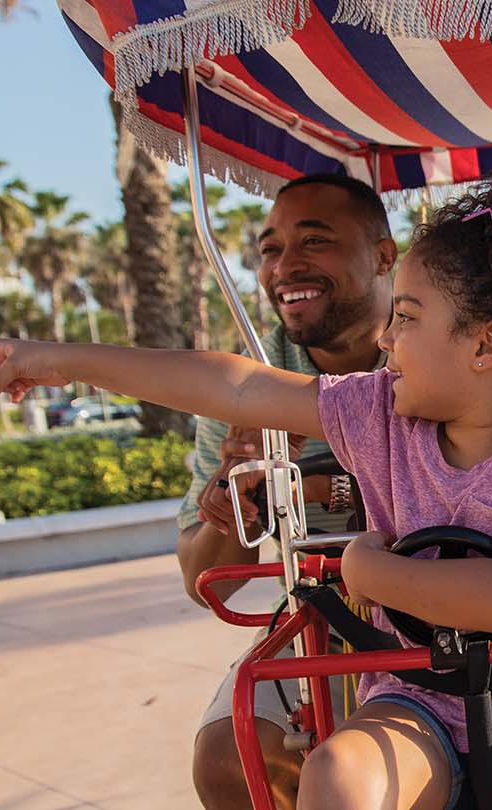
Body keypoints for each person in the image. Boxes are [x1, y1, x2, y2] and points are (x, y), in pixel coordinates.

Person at [0, 163, 492, 810]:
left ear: (486, 344)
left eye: (408, 318)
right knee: (338, 776)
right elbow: (233, 382)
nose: (387, 340)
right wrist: (63, 361)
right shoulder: (378, 411)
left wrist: (366, 569)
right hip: (412, 692)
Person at [175, 173, 395, 809]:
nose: (284, 267)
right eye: (270, 249)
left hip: (452, 595)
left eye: (314, 241)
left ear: (384, 257)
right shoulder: (245, 380)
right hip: (321, 608)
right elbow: (203, 580)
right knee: (228, 760)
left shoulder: (436, 345)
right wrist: (235, 500)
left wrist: (313, 485)